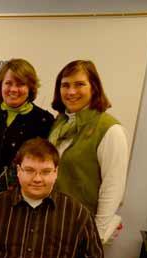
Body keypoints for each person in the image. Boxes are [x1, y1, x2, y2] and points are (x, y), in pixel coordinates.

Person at [49, 60, 129, 243]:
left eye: (79, 84)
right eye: (65, 85)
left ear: (94, 87)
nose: (71, 92)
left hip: (82, 228)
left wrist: (96, 235)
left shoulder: (109, 129)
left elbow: (113, 186)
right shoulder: (60, 123)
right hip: (52, 222)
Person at [0, 58, 54, 220]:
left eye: (20, 84)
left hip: (19, 204)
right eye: (8, 83)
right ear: (0, 85)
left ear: (30, 88)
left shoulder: (44, 120)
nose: (13, 89)